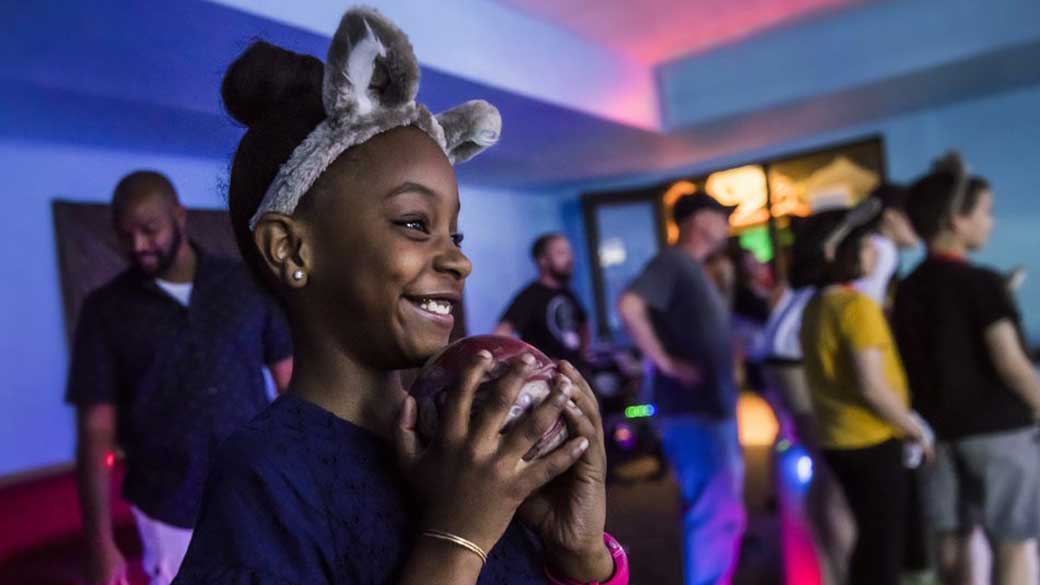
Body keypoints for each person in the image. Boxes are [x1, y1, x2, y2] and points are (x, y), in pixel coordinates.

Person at [173, 8, 626, 585]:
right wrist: (457, 537)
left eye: (454, 234)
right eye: (415, 223)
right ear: (290, 250)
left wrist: (581, 556)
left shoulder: (470, 438)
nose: (459, 260)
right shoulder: (264, 478)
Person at [65, 171, 294, 585]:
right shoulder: (104, 311)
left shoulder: (245, 285)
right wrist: (98, 539)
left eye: (149, 230)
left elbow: (291, 384)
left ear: (179, 216)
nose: (138, 245)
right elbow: (96, 429)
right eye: (125, 234)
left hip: (256, 495)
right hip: (167, 509)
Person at [893, 153, 1040, 585]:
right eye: (986, 212)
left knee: (952, 543)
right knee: (1011, 543)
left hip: (938, 435)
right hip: (998, 432)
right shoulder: (982, 283)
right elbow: (1009, 362)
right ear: (956, 220)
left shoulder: (908, 290)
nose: (991, 223)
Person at [798, 200, 933, 585]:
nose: (875, 250)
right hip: (870, 438)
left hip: (838, 438)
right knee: (881, 546)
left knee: (871, 540)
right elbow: (871, 386)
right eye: (865, 244)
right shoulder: (855, 305)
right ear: (840, 253)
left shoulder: (816, 303)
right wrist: (914, 428)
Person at [618, 193, 745, 585]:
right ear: (698, 219)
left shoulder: (694, 268)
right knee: (712, 514)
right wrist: (668, 362)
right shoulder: (672, 262)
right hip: (694, 414)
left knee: (717, 511)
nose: (727, 224)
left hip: (707, 410)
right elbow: (629, 305)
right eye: (722, 216)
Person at [496, 233, 590, 367]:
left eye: (569, 252)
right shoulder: (530, 296)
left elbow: (584, 324)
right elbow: (502, 332)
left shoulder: (568, 293)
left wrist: (583, 354)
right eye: (561, 253)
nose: (569, 259)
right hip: (549, 380)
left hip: (575, 372)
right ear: (543, 260)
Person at [855, 182, 919, 309]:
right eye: (913, 217)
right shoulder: (883, 249)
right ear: (891, 216)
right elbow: (867, 299)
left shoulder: (868, 242)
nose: (920, 224)